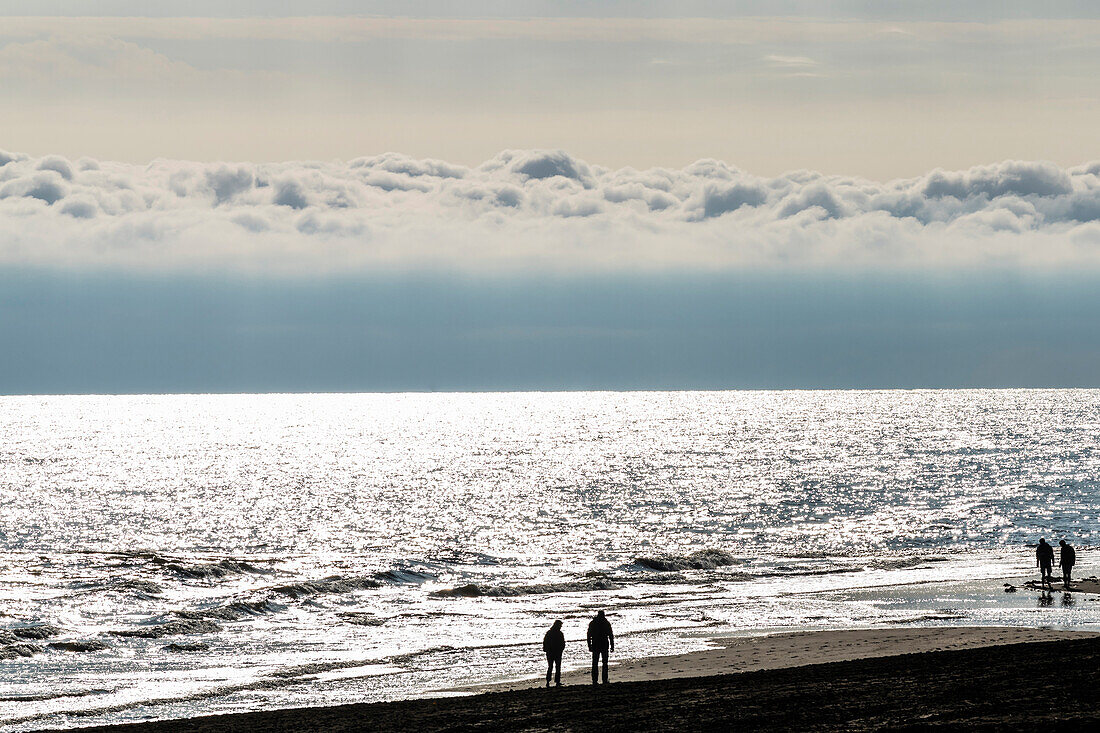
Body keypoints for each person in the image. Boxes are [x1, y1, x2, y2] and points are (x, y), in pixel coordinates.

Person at [587, 610, 614, 685]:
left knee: (595, 663)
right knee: (604, 663)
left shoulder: (593, 623)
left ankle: (595, 680)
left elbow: (589, 635)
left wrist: (589, 645)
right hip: (604, 644)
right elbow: (610, 635)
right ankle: (604, 679)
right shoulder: (606, 623)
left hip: (596, 644)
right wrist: (612, 645)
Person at [542, 620, 565, 687]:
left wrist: (545, 649)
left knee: (550, 667)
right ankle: (557, 681)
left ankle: (548, 681)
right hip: (556, 652)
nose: (561, 627)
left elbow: (545, 642)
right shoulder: (559, 633)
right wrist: (561, 649)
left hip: (550, 652)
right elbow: (562, 643)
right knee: (557, 667)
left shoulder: (549, 632)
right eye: (560, 625)